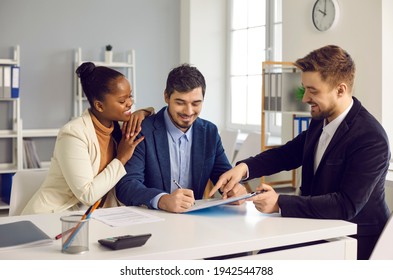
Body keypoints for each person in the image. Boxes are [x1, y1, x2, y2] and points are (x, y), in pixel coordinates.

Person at [209, 45, 391, 260]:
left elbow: (346, 205)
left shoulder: (371, 138)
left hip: (354, 241)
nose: (304, 98)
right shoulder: (320, 121)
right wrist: (244, 168)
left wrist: (278, 202)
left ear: (340, 90)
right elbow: (287, 154)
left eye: (313, 90)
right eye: (305, 88)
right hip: (315, 227)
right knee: (258, 258)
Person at [22, 62, 153, 214]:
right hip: (54, 215)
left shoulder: (117, 127)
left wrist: (143, 112)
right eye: (122, 101)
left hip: (98, 216)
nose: (130, 103)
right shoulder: (73, 134)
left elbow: (156, 119)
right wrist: (121, 158)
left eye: (130, 96)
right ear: (99, 106)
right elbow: (87, 195)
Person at [116, 63, 247, 213]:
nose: (189, 112)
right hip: (151, 218)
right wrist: (162, 200)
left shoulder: (209, 132)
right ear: (166, 96)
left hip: (194, 220)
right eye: (180, 103)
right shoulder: (141, 129)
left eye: (196, 103)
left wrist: (235, 189)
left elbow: (223, 176)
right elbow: (126, 185)